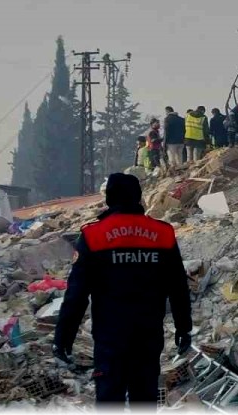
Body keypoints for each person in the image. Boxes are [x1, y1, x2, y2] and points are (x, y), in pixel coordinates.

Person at [53, 173, 193, 406]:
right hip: (148, 335)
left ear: (109, 199)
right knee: (145, 400)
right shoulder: (163, 233)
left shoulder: (93, 235)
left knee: (109, 401)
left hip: (110, 337)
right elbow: (178, 286)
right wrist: (183, 328)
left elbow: (76, 294)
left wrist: (63, 339)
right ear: (139, 198)